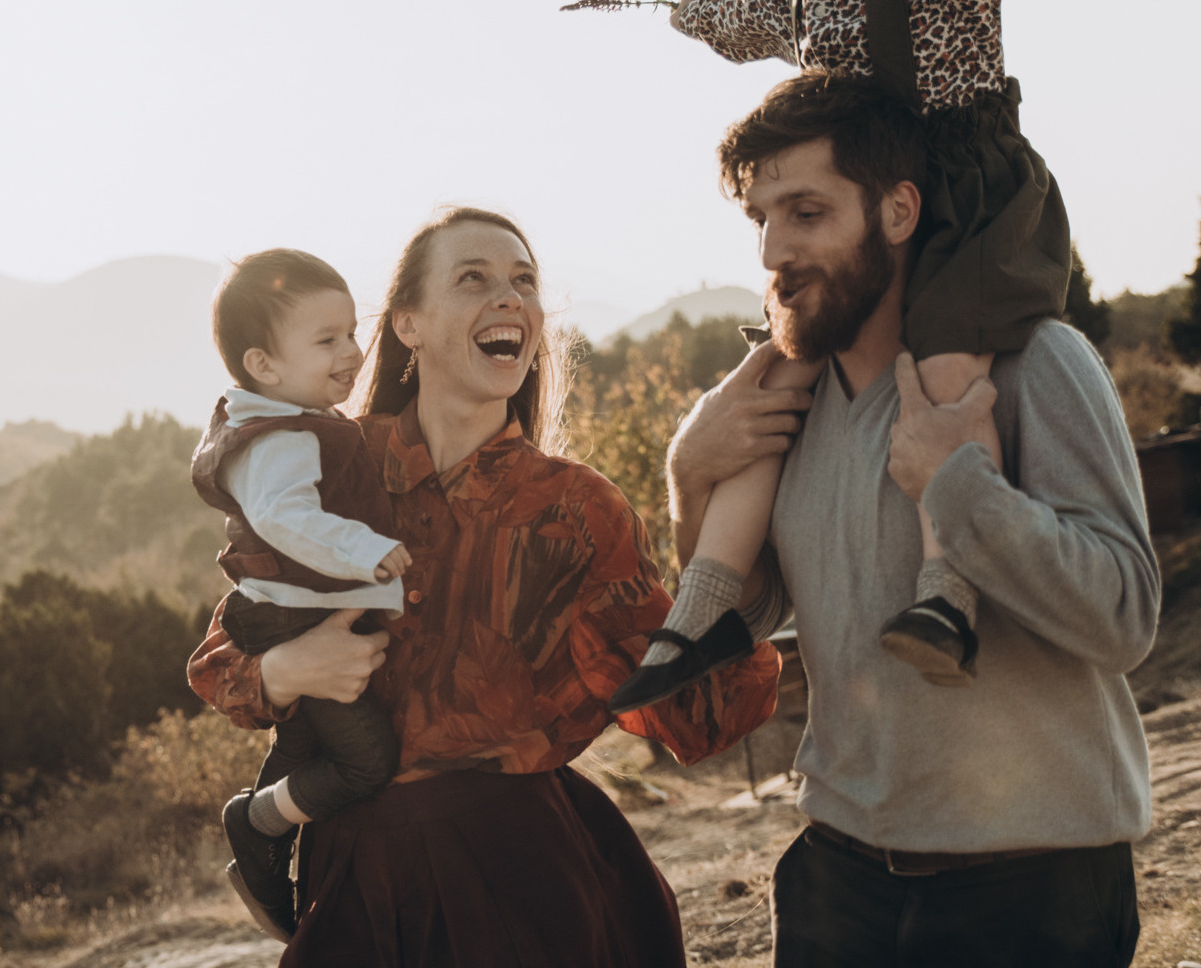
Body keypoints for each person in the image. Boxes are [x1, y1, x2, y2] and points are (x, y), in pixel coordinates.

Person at [617, 0, 1155, 705]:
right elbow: (739, 18)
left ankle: (945, 595)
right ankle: (699, 618)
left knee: (946, 361)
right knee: (767, 390)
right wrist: (681, 11)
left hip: (962, 191)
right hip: (866, 193)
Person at [186, 208, 780, 967]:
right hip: (354, 878)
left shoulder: (575, 509)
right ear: (409, 323)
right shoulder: (326, 463)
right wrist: (282, 672)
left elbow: (694, 714)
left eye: (524, 281)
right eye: (474, 278)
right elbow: (219, 655)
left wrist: (697, 495)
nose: (510, 297)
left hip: (526, 880)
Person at [669, 73, 1158, 966]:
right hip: (837, 877)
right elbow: (741, 622)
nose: (775, 249)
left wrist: (959, 485)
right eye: (762, 219)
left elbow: (1125, 616)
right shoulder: (788, 398)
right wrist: (689, 475)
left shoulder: (1036, 362)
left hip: (1029, 887)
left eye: (808, 211)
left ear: (897, 211)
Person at [189, 249, 413, 941]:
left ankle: (261, 838)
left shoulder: (283, 417)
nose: (350, 352)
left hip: (292, 615)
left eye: (351, 331)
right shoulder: (282, 437)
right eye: (326, 341)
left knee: (308, 745)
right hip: (292, 620)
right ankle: (256, 821)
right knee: (366, 760)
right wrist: (368, 551)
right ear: (265, 365)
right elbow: (287, 518)